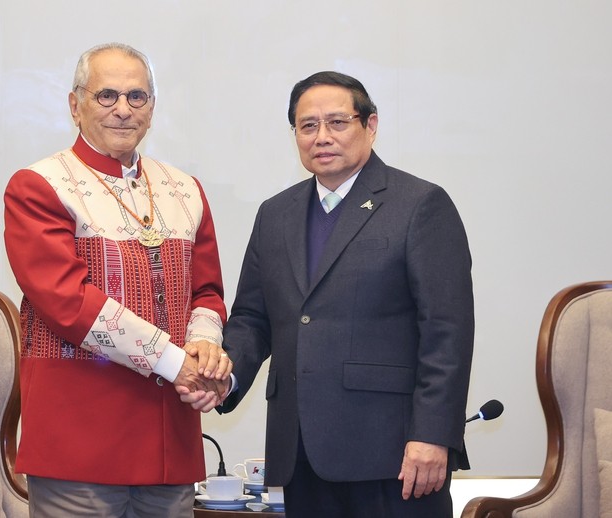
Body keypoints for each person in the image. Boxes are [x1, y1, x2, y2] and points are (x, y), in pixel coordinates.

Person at [179, 71, 475, 517]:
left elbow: (447, 332)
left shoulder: (420, 204)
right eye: (308, 125)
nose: (322, 136)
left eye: (338, 122)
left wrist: (433, 434)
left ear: (370, 126)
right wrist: (226, 376)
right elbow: (253, 319)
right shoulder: (275, 214)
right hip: (299, 451)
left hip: (394, 455)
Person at [4, 42, 230, 518]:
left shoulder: (185, 188)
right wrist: (174, 361)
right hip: (79, 444)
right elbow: (67, 302)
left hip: (171, 442)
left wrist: (205, 350)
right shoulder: (39, 185)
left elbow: (206, 292)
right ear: (75, 105)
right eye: (106, 95)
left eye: (137, 97)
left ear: (152, 107)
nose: (123, 110)